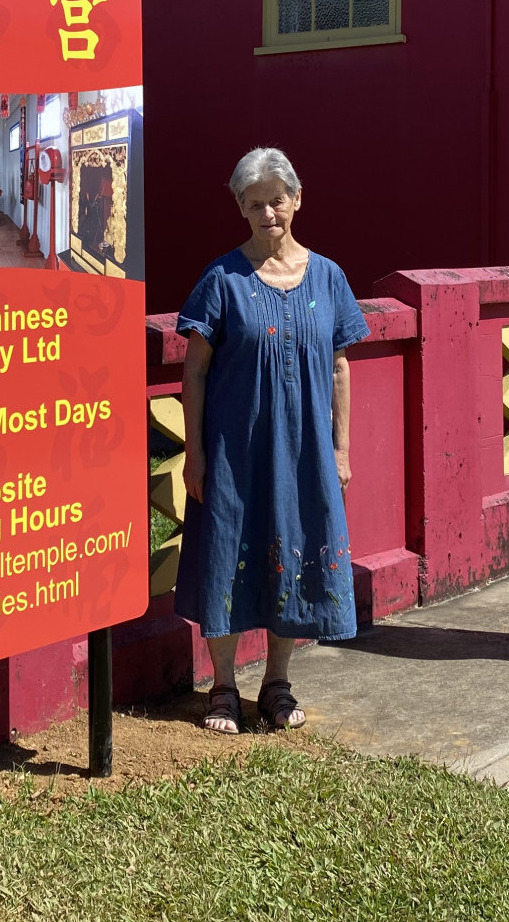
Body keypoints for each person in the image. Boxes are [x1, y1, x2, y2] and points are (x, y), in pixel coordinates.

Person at [173, 147, 368, 732]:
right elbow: (196, 371)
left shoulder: (328, 276)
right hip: (236, 451)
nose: (267, 214)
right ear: (240, 209)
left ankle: (277, 684)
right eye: (254, 204)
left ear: (296, 200)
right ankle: (224, 687)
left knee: (295, 552)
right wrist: (196, 453)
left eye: (276, 201)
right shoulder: (222, 279)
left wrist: (340, 449)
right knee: (228, 552)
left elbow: (339, 368)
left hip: (306, 451)